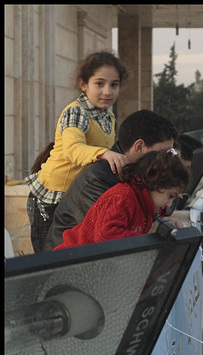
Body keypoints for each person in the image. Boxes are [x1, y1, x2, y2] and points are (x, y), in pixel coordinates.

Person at [25, 50, 129, 252]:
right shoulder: (76, 111)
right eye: (100, 84)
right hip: (50, 200)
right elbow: (74, 149)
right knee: (47, 259)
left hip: (74, 198)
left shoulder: (107, 116)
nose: (107, 91)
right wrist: (104, 153)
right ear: (84, 84)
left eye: (114, 85)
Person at [43, 110, 178, 251]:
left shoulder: (133, 174)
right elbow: (109, 234)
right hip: (65, 259)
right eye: (165, 153)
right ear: (139, 146)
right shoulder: (100, 179)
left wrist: (162, 221)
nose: (169, 159)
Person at [53, 148, 190, 250]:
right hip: (70, 261)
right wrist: (149, 239)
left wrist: (163, 223)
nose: (169, 204)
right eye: (170, 196)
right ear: (153, 182)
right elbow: (106, 235)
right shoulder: (122, 197)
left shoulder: (145, 208)